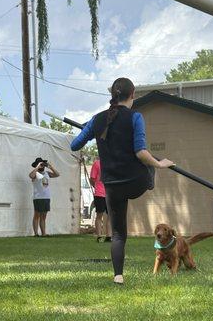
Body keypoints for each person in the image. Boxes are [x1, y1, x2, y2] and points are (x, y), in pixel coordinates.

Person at [71, 77, 174, 284]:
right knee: (150, 159)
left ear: (112, 95)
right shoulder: (135, 117)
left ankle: (118, 275)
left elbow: (75, 145)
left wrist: (90, 128)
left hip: (112, 186)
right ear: (133, 94)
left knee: (118, 234)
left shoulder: (97, 119)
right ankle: (150, 182)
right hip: (136, 183)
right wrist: (159, 164)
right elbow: (140, 152)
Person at [29, 157, 60, 237]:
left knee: (43, 216)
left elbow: (57, 174)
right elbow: (31, 176)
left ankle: (44, 233)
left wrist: (50, 167)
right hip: (38, 197)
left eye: (43, 164)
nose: (42, 166)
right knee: (37, 215)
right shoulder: (35, 173)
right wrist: (37, 167)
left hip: (46, 197)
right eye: (40, 164)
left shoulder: (47, 173)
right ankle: (36, 233)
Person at [89, 158, 111, 243]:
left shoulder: (112, 163)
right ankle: (99, 236)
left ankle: (109, 236)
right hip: (99, 194)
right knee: (99, 215)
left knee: (110, 216)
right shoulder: (97, 163)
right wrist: (97, 187)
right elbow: (92, 178)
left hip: (110, 194)